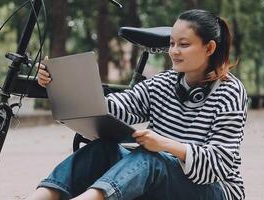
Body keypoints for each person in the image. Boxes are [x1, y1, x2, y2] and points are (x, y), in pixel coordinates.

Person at [28, 9, 248, 200]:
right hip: (162, 176)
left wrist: (165, 145)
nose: (174, 51)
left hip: (215, 190)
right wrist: (58, 83)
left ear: (209, 48)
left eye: (184, 44)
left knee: (149, 157)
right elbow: (117, 106)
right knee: (103, 148)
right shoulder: (164, 82)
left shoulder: (230, 91)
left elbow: (218, 164)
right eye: (171, 43)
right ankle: (44, 195)